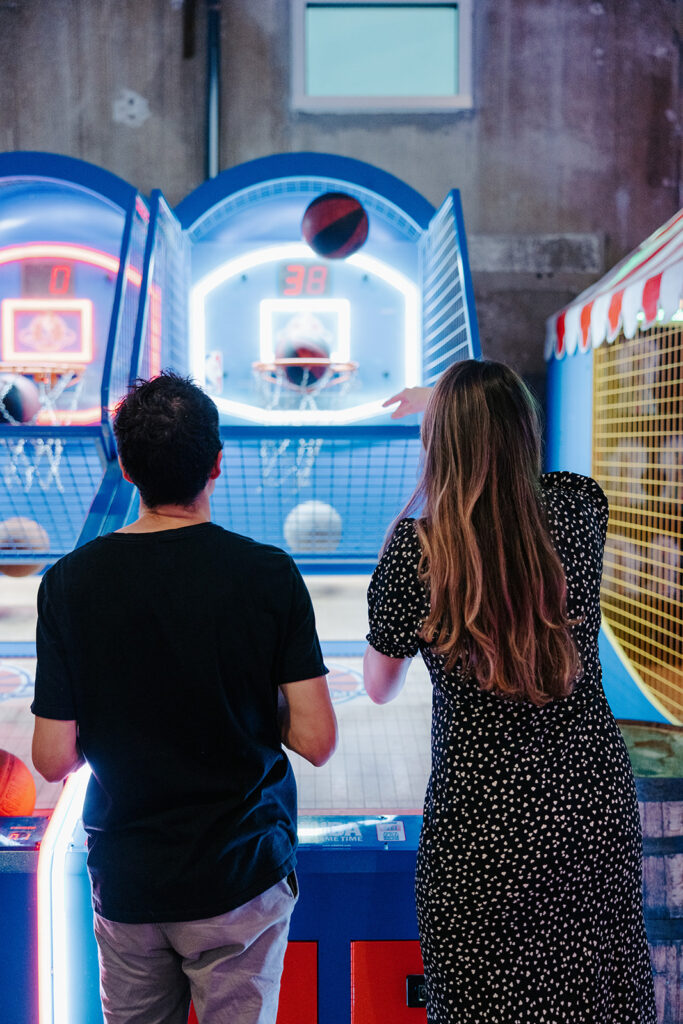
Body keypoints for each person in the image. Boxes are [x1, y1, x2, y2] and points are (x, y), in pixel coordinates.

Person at [31, 371, 337, 1024]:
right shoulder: (267, 575)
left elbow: (53, 758)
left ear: (128, 468)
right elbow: (314, 739)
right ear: (217, 464)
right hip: (241, 876)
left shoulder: (68, 584)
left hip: (130, 879)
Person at [366, 360, 656, 1024]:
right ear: (524, 432)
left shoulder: (416, 555)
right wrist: (455, 402)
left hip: (481, 821)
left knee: (484, 993)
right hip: (586, 801)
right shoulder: (580, 510)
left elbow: (380, 687)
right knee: (590, 985)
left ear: (438, 441)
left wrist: (440, 406)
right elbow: (520, 485)